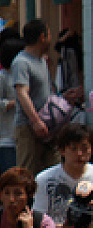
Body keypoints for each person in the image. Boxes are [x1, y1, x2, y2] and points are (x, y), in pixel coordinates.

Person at [13, 18, 83, 174]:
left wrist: (64, 97)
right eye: (49, 34)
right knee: (27, 172)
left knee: (54, 169)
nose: (52, 39)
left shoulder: (42, 61)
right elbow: (22, 93)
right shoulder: (22, 62)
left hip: (50, 127)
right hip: (28, 127)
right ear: (42, 37)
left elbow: (45, 93)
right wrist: (36, 121)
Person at [34, 123, 93, 228]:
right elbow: (38, 220)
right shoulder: (45, 179)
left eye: (84, 148)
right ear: (62, 150)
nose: (79, 154)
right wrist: (65, 227)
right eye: (73, 149)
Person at [0, 36, 27, 194]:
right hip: (4, 136)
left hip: (18, 133)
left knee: (14, 176)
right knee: (9, 177)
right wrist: (13, 103)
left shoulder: (21, 74)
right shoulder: (2, 76)